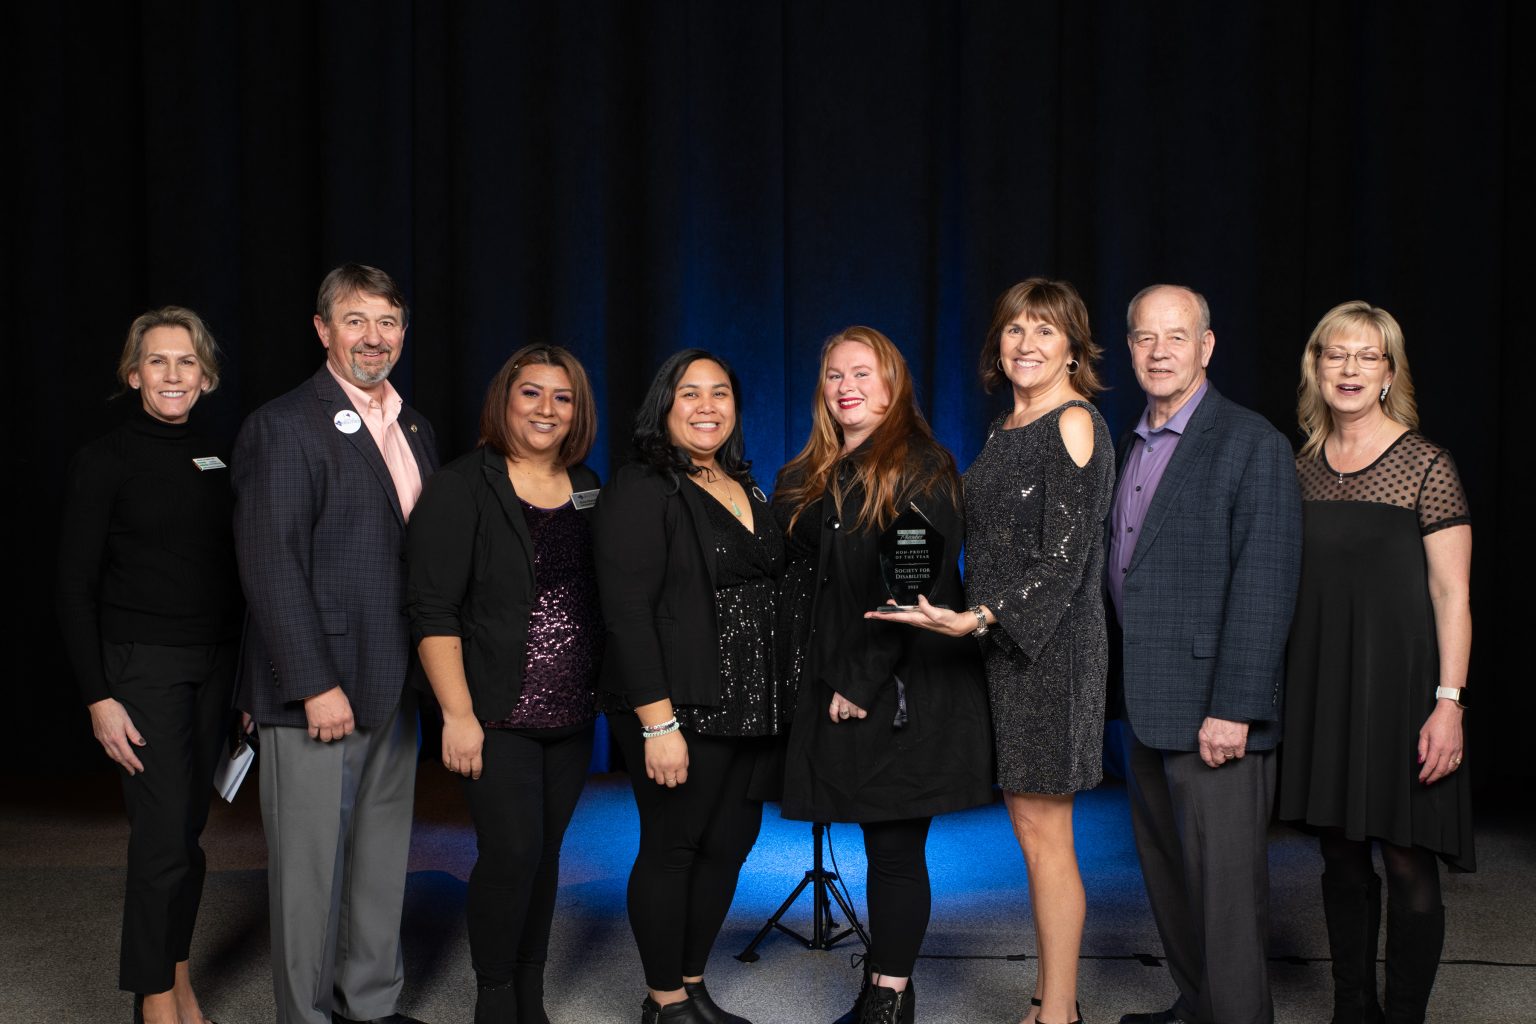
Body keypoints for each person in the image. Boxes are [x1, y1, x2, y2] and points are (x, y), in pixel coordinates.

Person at [875, 280, 1113, 1024]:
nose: (1027, 345)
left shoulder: (1074, 421)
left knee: (1047, 835)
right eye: (1015, 330)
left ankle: (1060, 1012)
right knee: (1029, 829)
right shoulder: (1005, 426)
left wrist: (979, 616)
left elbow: (1066, 560)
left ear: (1073, 349)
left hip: (1049, 652)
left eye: (1045, 331)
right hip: (999, 646)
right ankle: (1048, 995)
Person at [233, 264, 438, 1024]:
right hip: (318, 690)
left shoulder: (414, 427)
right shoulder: (284, 425)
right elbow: (270, 563)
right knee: (310, 872)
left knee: (380, 858)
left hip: (394, 681)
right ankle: (308, 1016)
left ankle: (369, 1004)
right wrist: (313, 684)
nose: (373, 337)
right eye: (355, 320)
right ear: (323, 330)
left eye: (387, 322)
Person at [777, 327, 993, 1024]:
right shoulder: (813, 470)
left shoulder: (921, 466)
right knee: (878, 840)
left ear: (893, 384)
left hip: (905, 691)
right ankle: (885, 988)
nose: (846, 387)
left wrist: (858, 679)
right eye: (834, 374)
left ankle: (888, 999)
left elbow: (911, 587)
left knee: (895, 849)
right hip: (842, 680)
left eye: (863, 373)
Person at [1109, 285, 1302, 1024]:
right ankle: (1197, 1007)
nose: (1159, 352)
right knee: (1170, 883)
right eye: (1145, 338)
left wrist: (1235, 709)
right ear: (1130, 348)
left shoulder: (1252, 443)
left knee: (1226, 901)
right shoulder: (1130, 443)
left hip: (1216, 713)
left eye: (1177, 337)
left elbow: (1266, 583)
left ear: (1207, 346)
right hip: (1148, 704)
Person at [1279, 301, 1472, 1024]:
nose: (1350, 369)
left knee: (1407, 857)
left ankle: (1405, 1017)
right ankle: (1351, 1010)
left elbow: (1453, 595)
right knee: (1339, 854)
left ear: (1390, 372)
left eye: (1367, 356)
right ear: (1317, 367)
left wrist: (1449, 702)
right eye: (1336, 354)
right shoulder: (1297, 469)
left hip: (1404, 692)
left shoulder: (1426, 466)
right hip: (1325, 686)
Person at [406, 345, 603, 1023]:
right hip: (496, 712)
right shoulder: (462, 486)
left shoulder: (588, 484)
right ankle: (493, 999)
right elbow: (432, 609)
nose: (547, 409)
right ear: (504, 400)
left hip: (573, 713)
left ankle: (529, 995)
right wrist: (457, 714)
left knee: (545, 855)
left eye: (563, 397)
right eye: (531, 393)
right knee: (511, 852)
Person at [57, 307, 241, 1024]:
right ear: (134, 375)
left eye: (186, 361)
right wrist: (98, 698)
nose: (172, 374)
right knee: (162, 839)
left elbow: (234, 575)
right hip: (142, 668)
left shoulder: (222, 456)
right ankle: (154, 1003)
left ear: (207, 377)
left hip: (215, 665)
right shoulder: (104, 460)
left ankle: (177, 981)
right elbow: (73, 589)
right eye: (157, 361)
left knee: (187, 837)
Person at [593, 349, 784, 1024]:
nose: (707, 406)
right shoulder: (642, 486)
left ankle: (692, 984)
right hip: (679, 699)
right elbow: (627, 611)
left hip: (750, 701)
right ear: (664, 407)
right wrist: (658, 723)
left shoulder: (744, 484)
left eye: (720, 393)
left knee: (729, 844)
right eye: (690, 393)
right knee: (673, 846)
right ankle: (664, 1001)